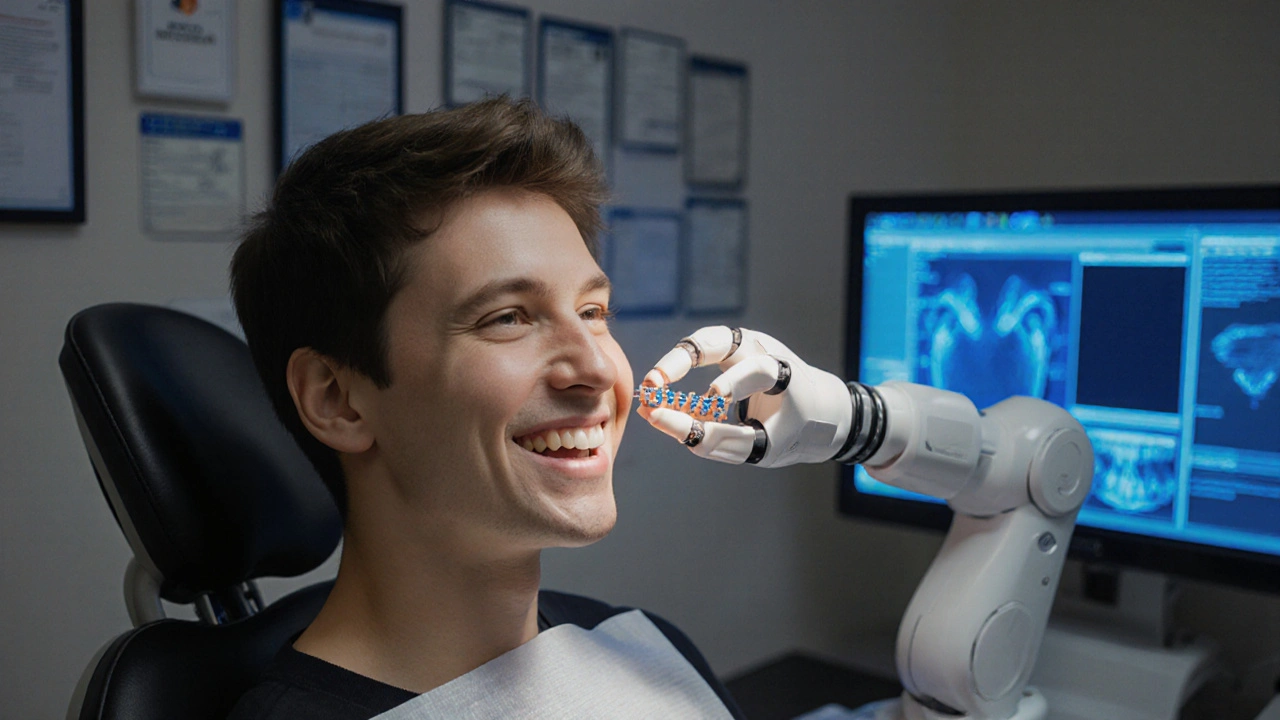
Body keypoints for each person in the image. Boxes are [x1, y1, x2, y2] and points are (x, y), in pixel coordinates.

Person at [225, 98, 743, 719]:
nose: (599, 369)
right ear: (337, 399)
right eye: (508, 318)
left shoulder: (643, 650)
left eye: (592, 313)